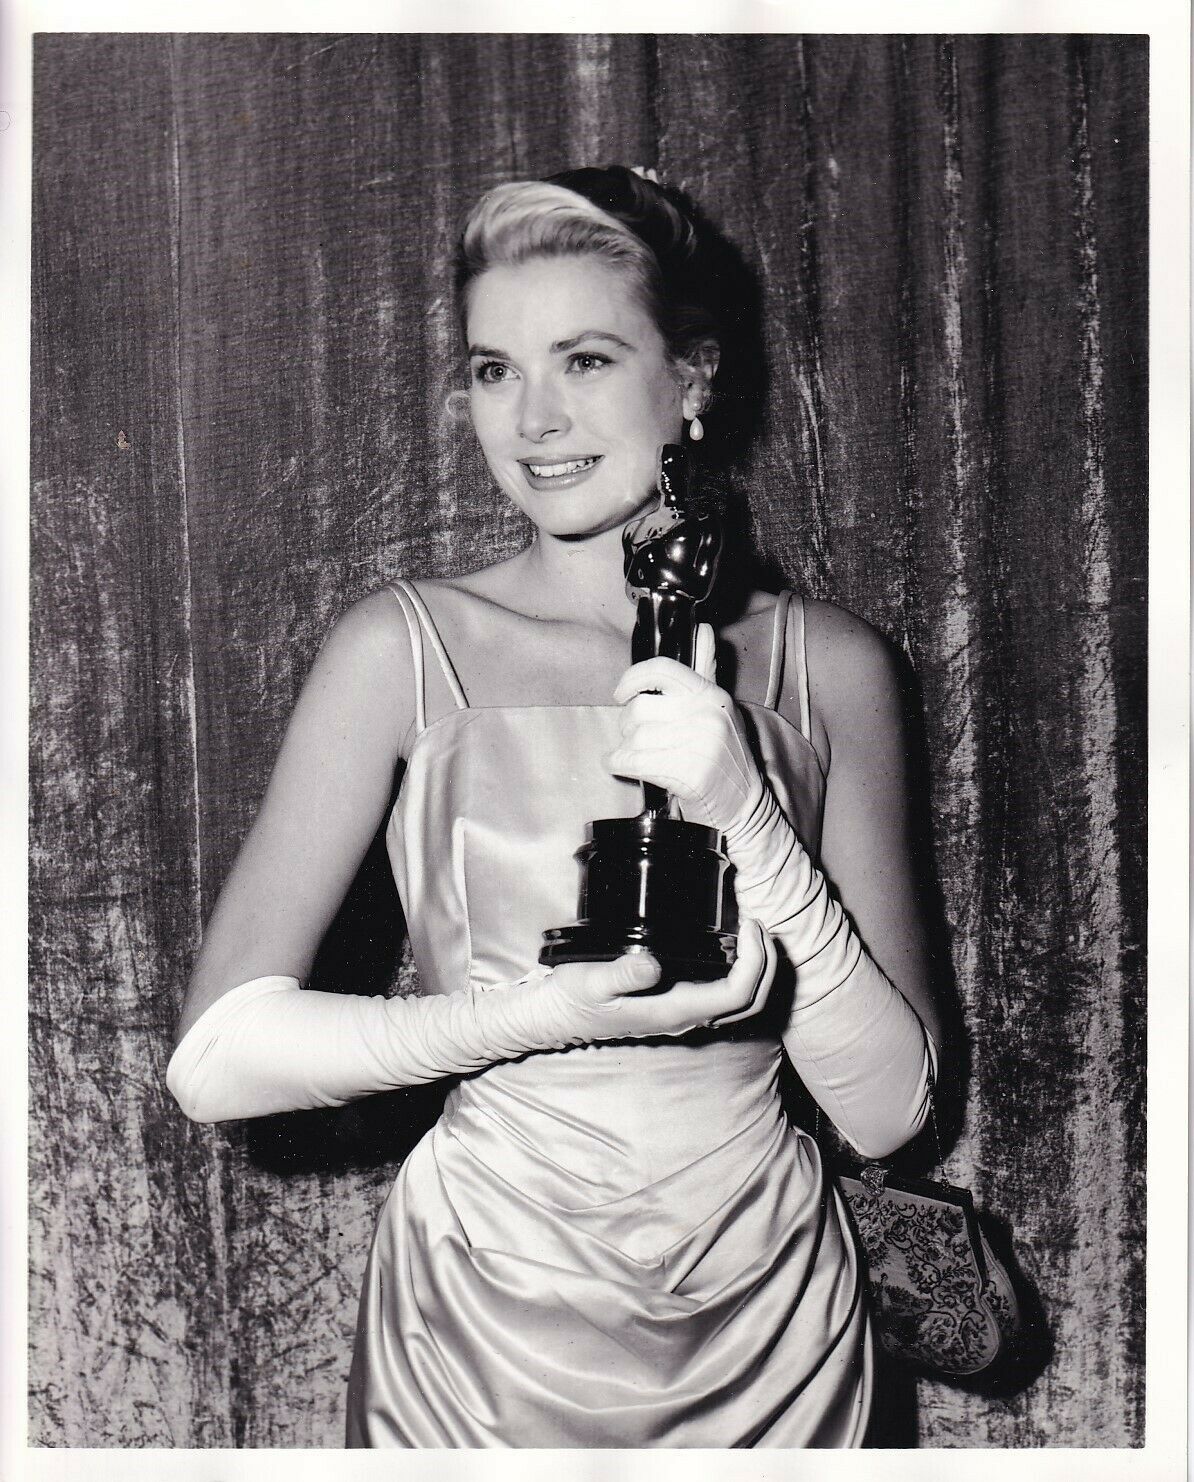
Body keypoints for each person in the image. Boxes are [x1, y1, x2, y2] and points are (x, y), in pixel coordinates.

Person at [166, 165, 941, 1448]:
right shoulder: (403, 647)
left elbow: (889, 1111)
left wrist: (751, 815)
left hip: (777, 1336)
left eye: (583, 360)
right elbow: (216, 1064)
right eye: (492, 370)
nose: (533, 419)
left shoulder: (831, 667)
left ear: (691, 381)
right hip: (472, 1341)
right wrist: (531, 1015)